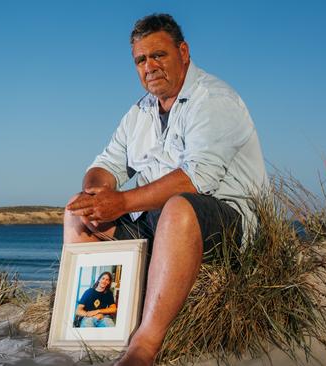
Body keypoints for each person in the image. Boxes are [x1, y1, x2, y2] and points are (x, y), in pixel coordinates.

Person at [64, 13, 267, 365]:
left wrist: (123, 201)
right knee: (76, 212)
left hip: (228, 224)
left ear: (183, 52)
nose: (150, 66)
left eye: (159, 55)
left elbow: (196, 180)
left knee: (178, 206)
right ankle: (94, 330)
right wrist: (95, 196)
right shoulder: (139, 112)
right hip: (159, 220)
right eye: (141, 60)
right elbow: (105, 165)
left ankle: (145, 345)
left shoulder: (213, 99)